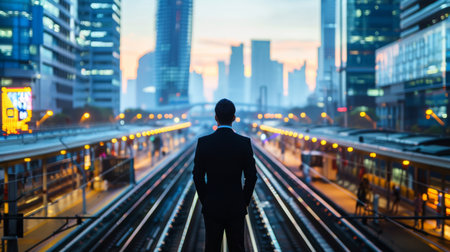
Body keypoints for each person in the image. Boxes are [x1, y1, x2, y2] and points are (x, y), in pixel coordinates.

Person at [193, 99, 257, 252]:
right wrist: (244, 201)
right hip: (236, 206)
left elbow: (197, 176)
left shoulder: (204, 143)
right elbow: (252, 177)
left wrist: (206, 200)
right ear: (234, 118)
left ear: (216, 117)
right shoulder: (244, 143)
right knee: (237, 247)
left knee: (212, 247)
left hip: (212, 206)